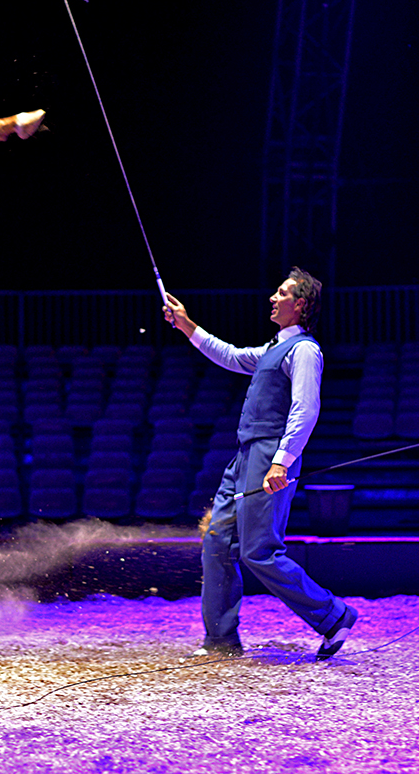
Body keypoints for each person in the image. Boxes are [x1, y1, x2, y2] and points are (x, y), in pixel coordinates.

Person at [162, 267, 357, 661]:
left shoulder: (305, 350)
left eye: (282, 293)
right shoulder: (273, 350)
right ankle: (220, 640)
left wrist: (281, 462)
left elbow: (306, 409)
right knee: (217, 541)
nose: (272, 297)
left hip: (270, 456)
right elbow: (231, 356)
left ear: (299, 304)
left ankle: (333, 616)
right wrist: (186, 326)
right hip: (245, 455)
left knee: (259, 552)